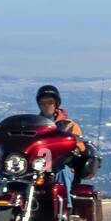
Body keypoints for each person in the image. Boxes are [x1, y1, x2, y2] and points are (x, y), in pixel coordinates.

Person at [36, 84, 85, 212]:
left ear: (56, 104)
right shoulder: (35, 124)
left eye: (50, 102)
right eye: (42, 103)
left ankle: (66, 209)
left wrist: (73, 149)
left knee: (62, 171)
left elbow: (79, 145)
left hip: (60, 163)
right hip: (38, 165)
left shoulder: (69, 125)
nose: (46, 106)